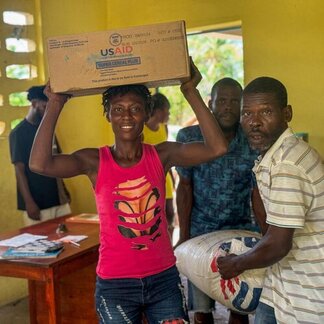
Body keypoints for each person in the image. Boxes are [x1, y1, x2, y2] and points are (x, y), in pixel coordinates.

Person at [29, 60, 228, 324]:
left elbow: (217, 148)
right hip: (115, 286)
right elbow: (39, 163)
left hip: (163, 281)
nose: (126, 116)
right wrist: (55, 103)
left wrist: (190, 90)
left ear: (146, 114)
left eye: (135, 109)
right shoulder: (95, 162)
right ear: (108, 115)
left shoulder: (162, 155)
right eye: (118, 109)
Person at [217, 77, 324, 324]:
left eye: (265, 112)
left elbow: (278, 244)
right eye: (247, 114)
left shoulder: (287, 163)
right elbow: (270, 232)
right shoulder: (275, 157)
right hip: (281, 282)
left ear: (287, 113)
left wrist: (237, 263)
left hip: (307, 292)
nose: (254, 122)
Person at [175, 78, 258, 324]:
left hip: (240, 234)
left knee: (239, 307)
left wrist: (264, 236)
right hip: (201, 234)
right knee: (202, 310)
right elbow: (185, 188)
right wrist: (184, 235)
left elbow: (258, 194)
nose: (228, 107)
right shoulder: (189, 136)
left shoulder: (252, 141)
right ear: (210, 104)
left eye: (235, 101)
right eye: (222, 101)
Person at [9, 85, 71, 226]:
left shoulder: (47, 131)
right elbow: (19, 171)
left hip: (58, 201)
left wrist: (64, 192)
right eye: (45, 107)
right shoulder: (18, 133)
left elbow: (57, 163)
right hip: (37, 205)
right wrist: (29, 203)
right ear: (34, 104)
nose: (47, 111)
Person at [142, 92, 176, 238]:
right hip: (148, 179)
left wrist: (172, 179)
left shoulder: (164, 128)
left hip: (164, 176)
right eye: (167, 110)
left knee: (170, 213)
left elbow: (166, 156)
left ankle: (170, 245)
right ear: (158, 111)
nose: (168, 114)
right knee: (155, 215)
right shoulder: (142, 130)